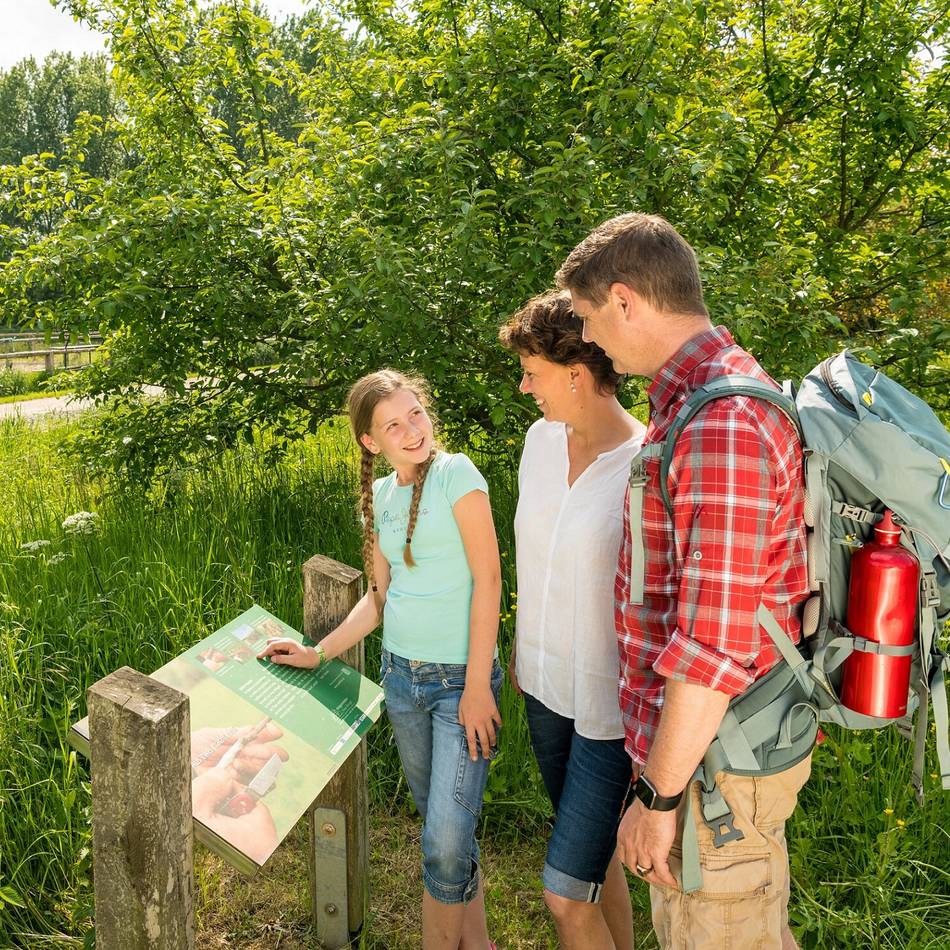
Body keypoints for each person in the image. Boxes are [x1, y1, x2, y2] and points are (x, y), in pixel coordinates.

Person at [556, 213, 810, 950]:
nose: (591, 339)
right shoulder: (701, 396)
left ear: (627, 301)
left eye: (589, 317)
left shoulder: (722, 421)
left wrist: (658, 798)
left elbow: (713, 645)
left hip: (714, 769)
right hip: (711, 759)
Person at [257, 369, 502, 950]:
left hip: (457, 686)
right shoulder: (379, 500)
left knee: (444, 840)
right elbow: (379, 598)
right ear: (372, 442)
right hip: (402, 683)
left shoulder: (455, 475)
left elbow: (489, 580)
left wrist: (475, 686)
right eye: (393, 425)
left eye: (415, 413)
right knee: (448, 830)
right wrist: (319, 653)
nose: (412, 430)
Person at [498, 290, 645, 950]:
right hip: (543, 690)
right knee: (596, 859)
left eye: (534, 373)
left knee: (563, 894)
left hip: (610, 712)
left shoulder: (646, 464)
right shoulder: (538, 441)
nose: (526, 387)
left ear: (578, 377)